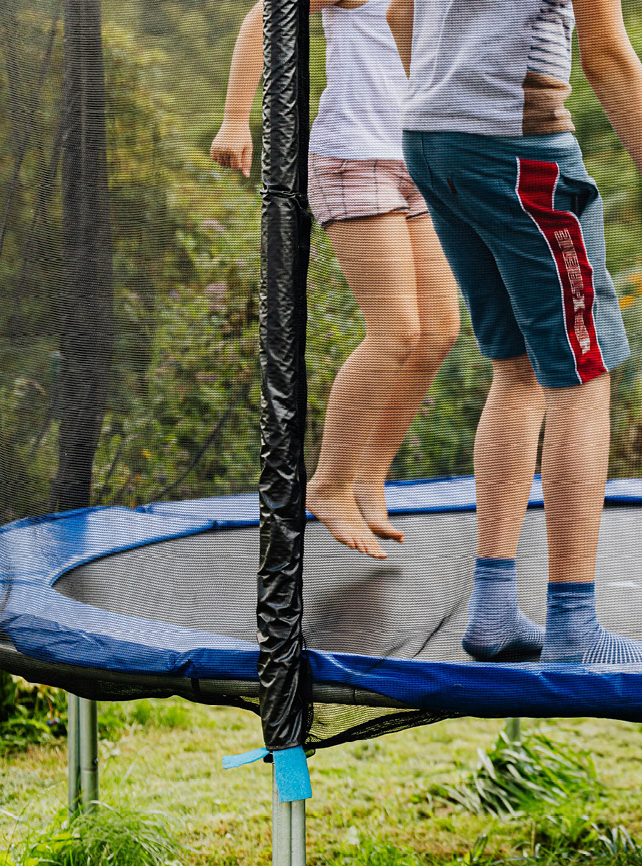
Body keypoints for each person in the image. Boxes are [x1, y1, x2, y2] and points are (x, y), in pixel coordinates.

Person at [387, 0, 642, 664]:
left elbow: (400, 10)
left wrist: (448, 102)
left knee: (515, 371)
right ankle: (572, 623)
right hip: (519, 153)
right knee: (582, 375)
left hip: (431, 138)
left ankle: (491, 610)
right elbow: (606, 54)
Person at [212, 0, 461, 561]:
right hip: (355, 160)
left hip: (418, 158)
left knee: (441, 328)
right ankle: (327, 483)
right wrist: (235, 118)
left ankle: (369, 477)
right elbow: (265, 15)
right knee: (396, 331)